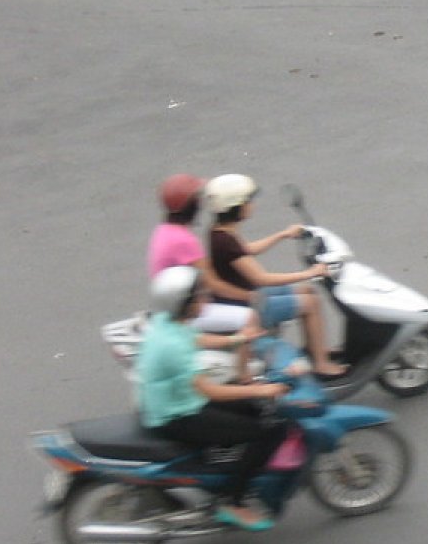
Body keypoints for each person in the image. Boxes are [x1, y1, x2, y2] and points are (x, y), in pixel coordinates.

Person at [136, 266, 289, 531]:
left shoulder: (168, 321)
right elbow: (210, 391)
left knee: (257, 409)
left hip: (179, 399)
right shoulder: (171, 345)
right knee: (269, 431)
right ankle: (231, 501)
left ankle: (230, 469)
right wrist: (260, 389)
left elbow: (195, 338)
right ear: (182, 303)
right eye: (199, 296)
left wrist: (239, 338)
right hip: (176, 414)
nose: (206, 299)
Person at [203, 174, 344, 377]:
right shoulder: (225, 241)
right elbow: (261, 278)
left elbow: (247, 249)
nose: (252, 205)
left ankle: (315, 348)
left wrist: (282, 235)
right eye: (248, 201)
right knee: (310, 304)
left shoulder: (219, 232)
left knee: (307, 292)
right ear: (238, 207)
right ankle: (321, 364)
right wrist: (310, 272)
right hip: (250, 304)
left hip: (249, 295)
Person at [148, 174, 264, 377]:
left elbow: (204, 267)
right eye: (197, 199)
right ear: (191, 205)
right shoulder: (184, 239)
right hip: (185, 309)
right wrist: (252, 296)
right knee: (250, 316)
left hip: (176, 301)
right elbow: (212, 283)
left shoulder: (165, 230)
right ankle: (247, 380)